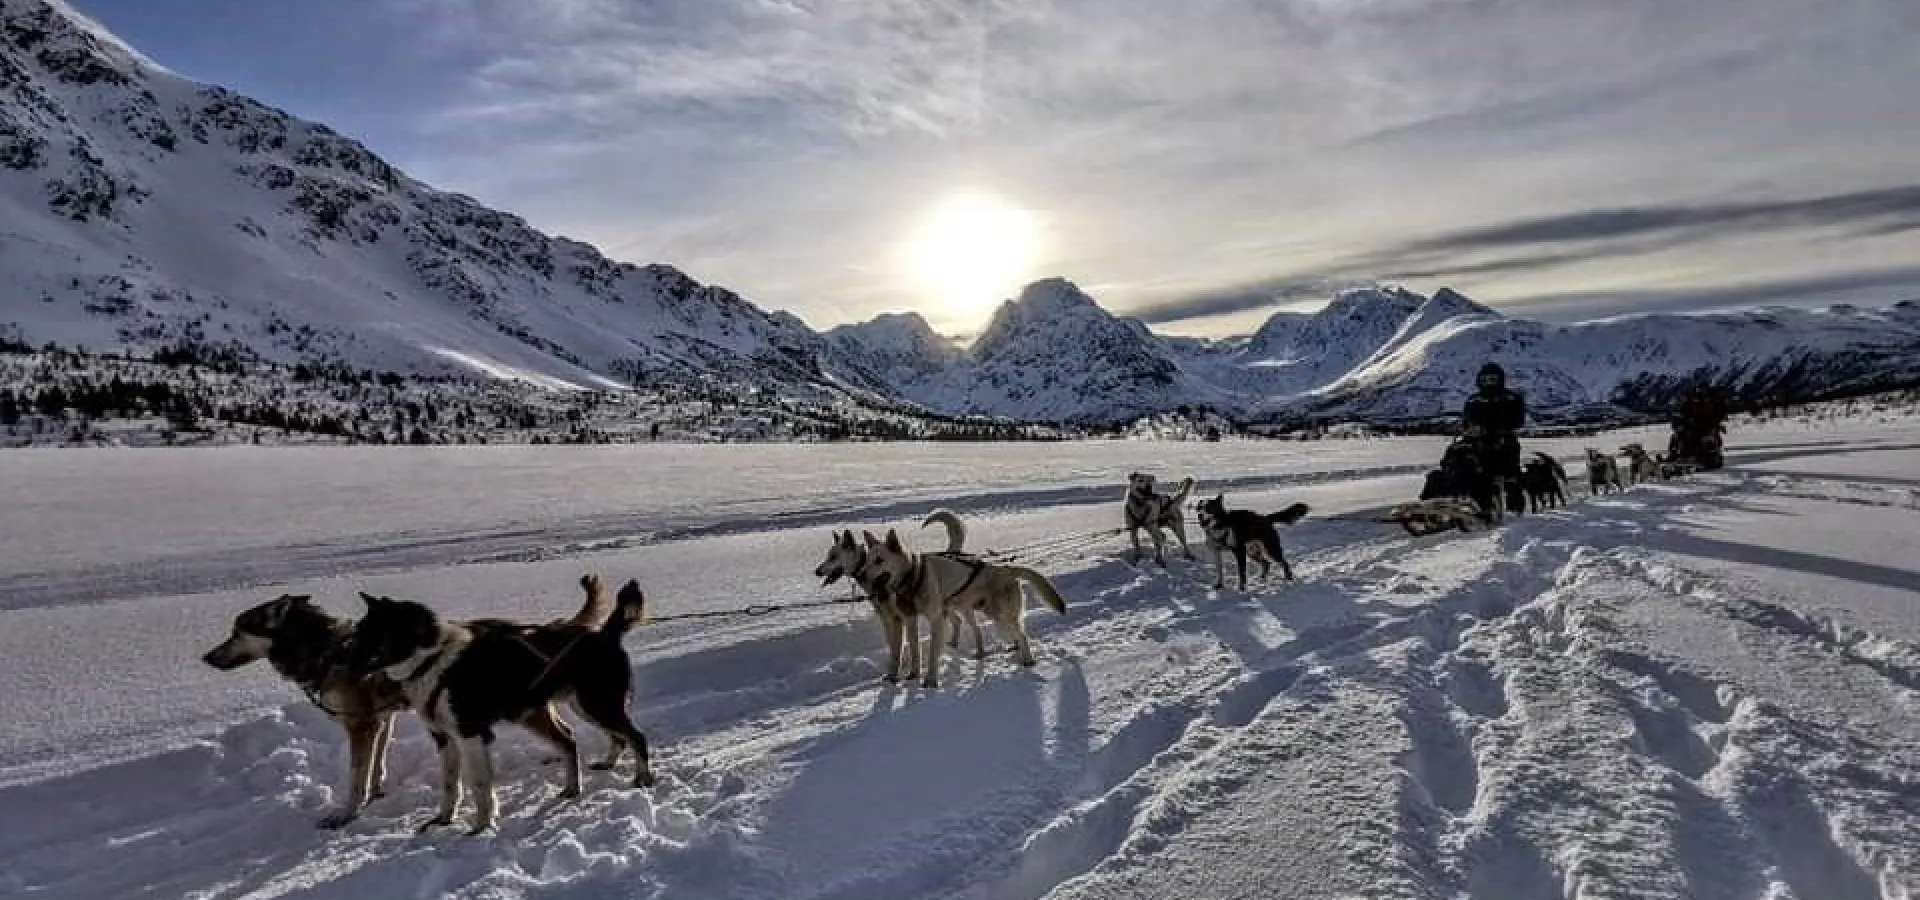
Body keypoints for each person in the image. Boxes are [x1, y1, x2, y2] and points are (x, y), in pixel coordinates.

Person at [1461, 362, 1526, 483]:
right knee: (1456, 454)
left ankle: (1511, 490)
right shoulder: (1473, 400)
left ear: (1500, 380)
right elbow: (1466, 420)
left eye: (1492, 379)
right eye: (1485, 380)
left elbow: (1518, 420)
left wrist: (1501, 429)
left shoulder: (1511, 398)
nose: (1488, 383)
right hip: (1475, 440)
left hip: (1503, 440)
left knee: (1508, 470)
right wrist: (1470, 430)